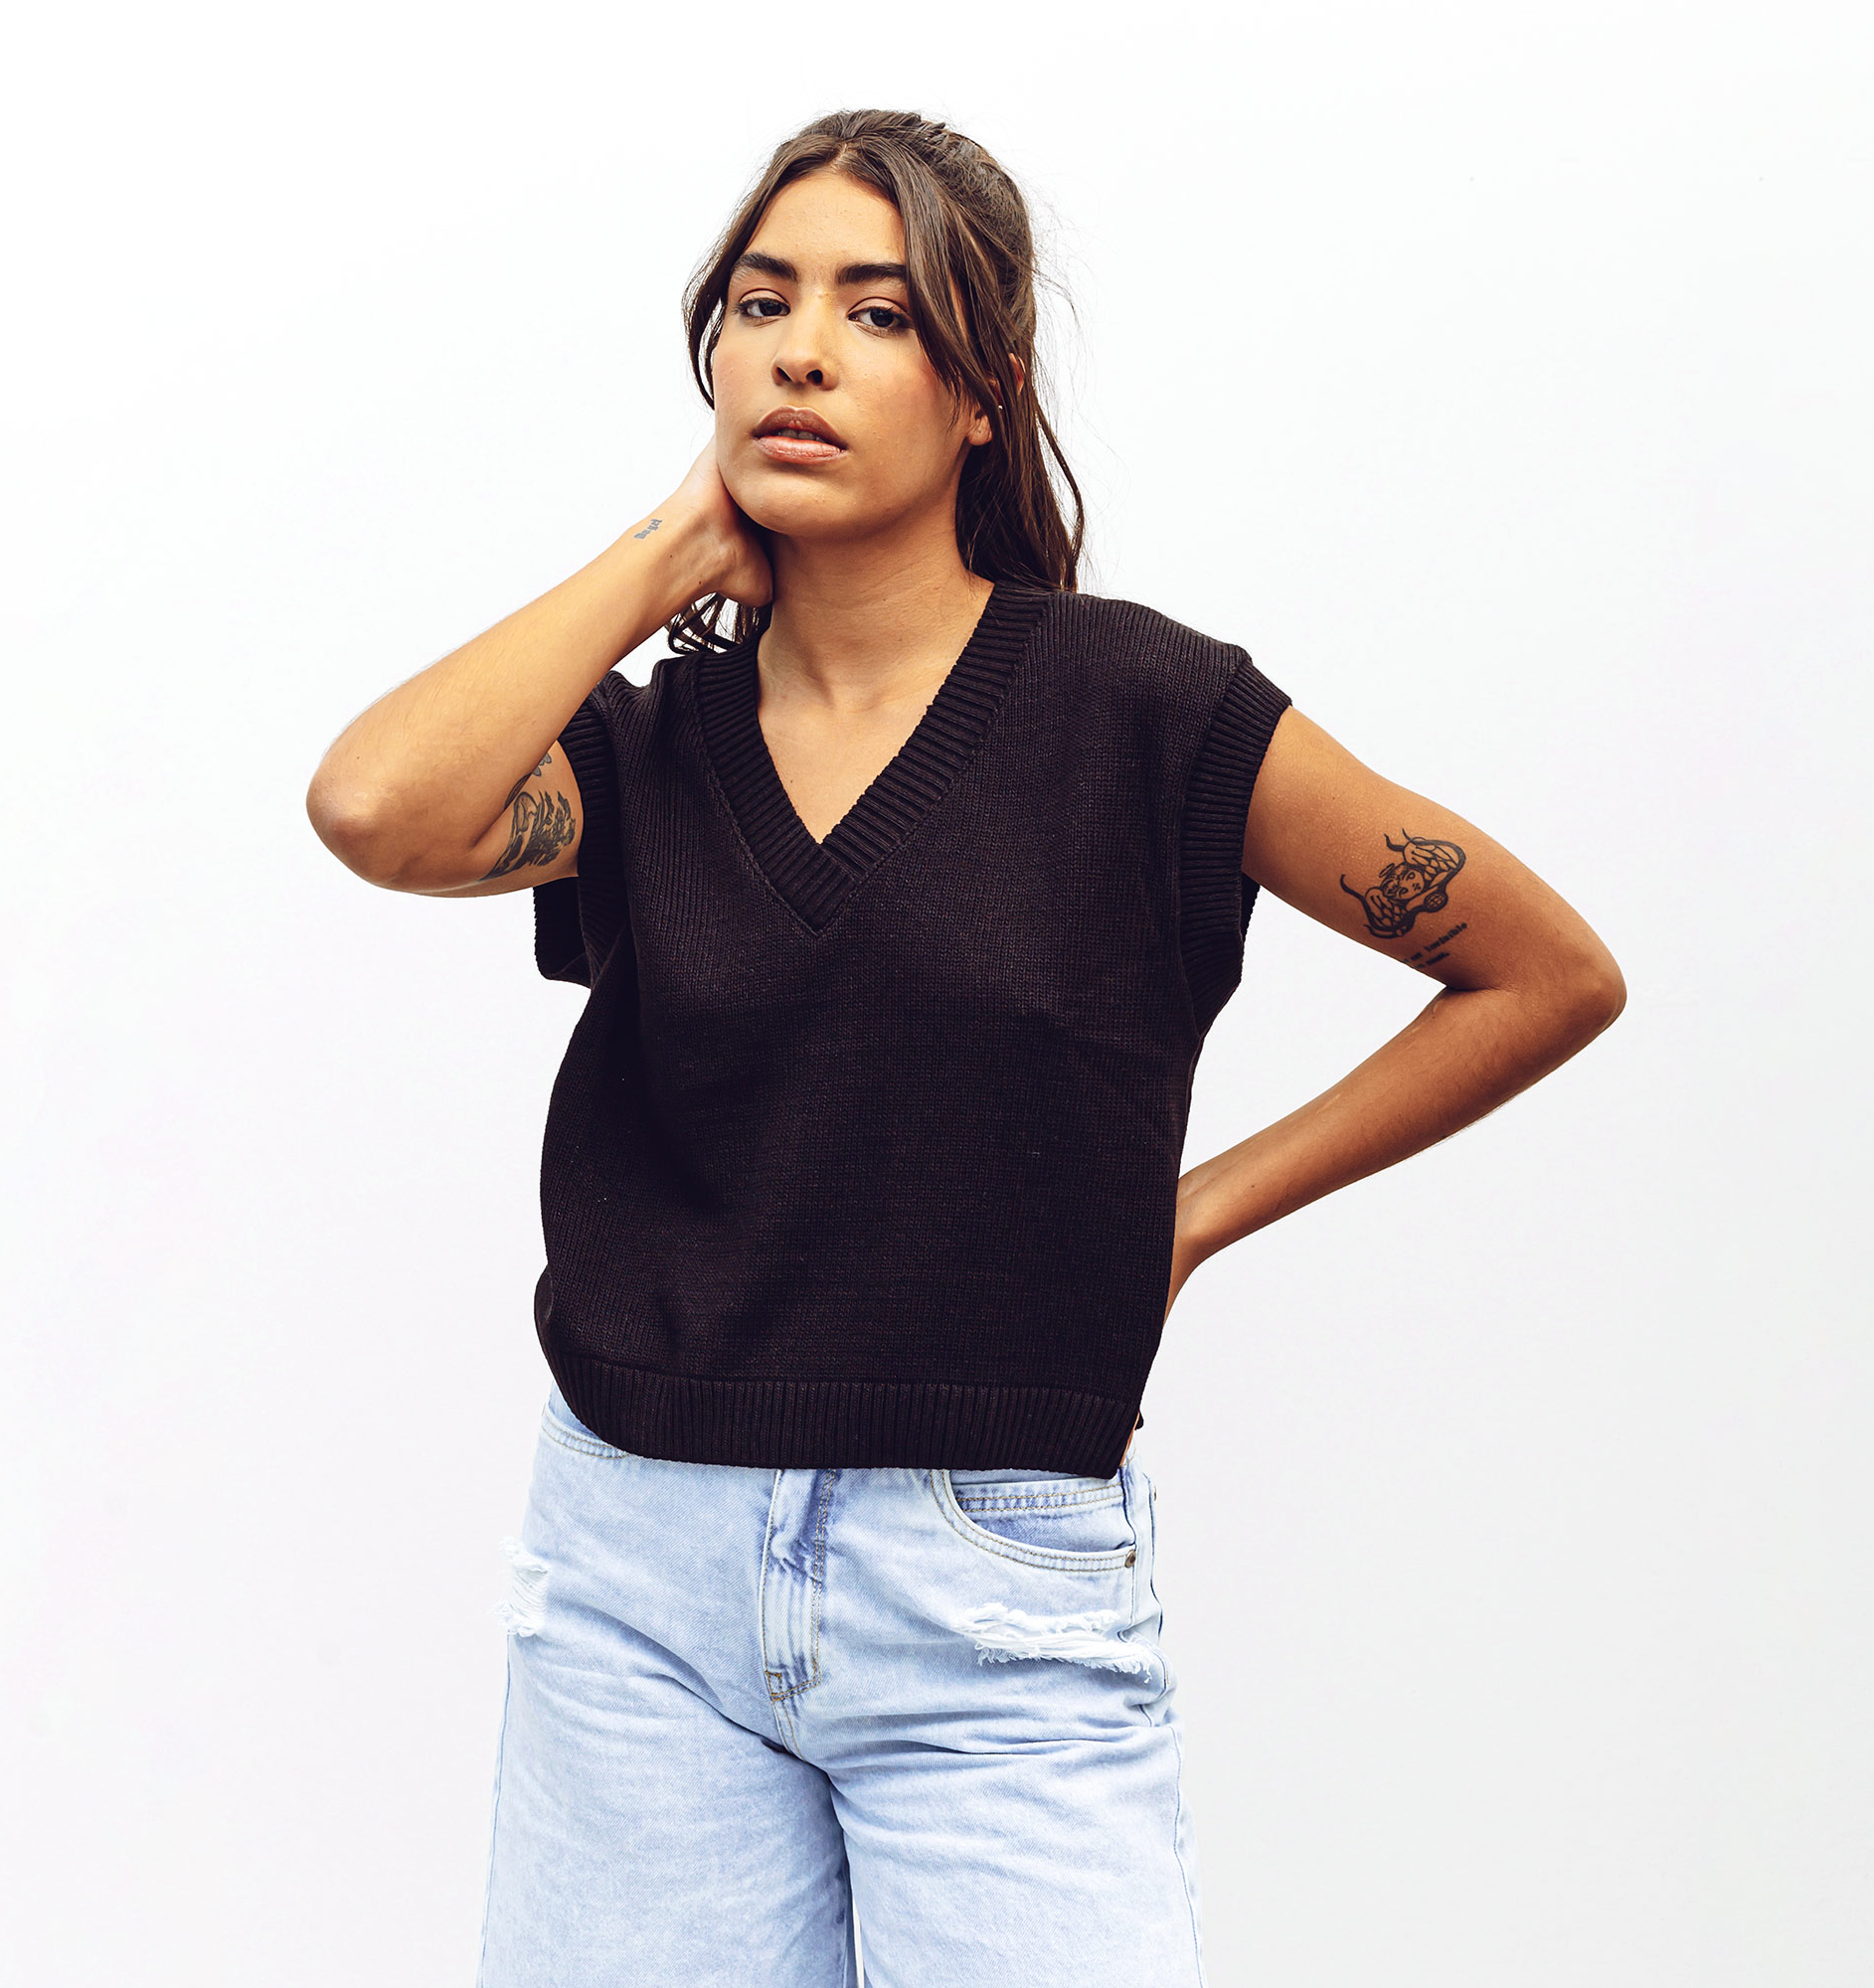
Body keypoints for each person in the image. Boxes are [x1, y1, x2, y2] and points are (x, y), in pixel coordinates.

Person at [305, 108, 1625, 1988]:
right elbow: (374, 808)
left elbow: (1543, 973)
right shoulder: (646, 752)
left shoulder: (1144, 715)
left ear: (985, 392)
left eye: (878, 312)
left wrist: (1191, 1216)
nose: (804, 352)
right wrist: (670, 547)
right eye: (763, 303)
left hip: (994, 1595)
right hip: (636, 1586)